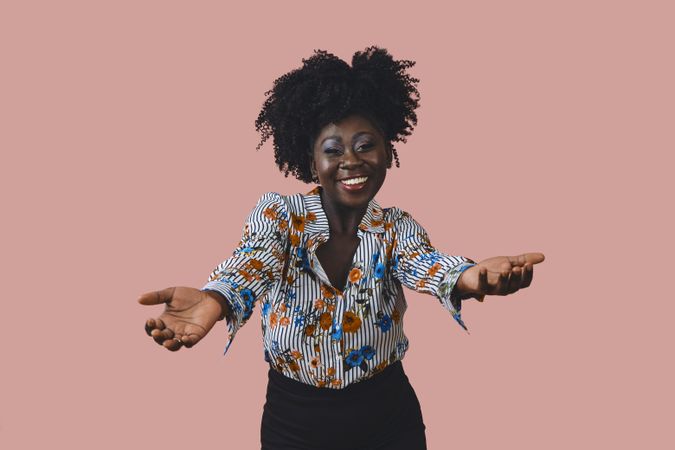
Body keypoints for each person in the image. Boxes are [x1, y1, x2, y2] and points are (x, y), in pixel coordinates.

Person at [139, 46, 545, 450]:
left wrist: (472, 276)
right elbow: (252, 261)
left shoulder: (396, 228)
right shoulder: (280, 215)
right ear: (312, 163)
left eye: (366, 145)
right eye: (333, 150)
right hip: (294, 422)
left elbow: (429, 264)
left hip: (388, 416)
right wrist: (214, 299)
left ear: (387, 152)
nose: (351, 160)